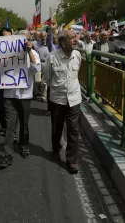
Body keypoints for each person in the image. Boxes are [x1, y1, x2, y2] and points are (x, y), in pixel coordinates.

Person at [0, 30, 41, 169]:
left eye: (26, 40)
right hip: (9, 95)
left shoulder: (34, 54)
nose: (23, 42)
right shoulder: (6, 54)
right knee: (10, 126)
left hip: (25, 95)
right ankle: (8, 154)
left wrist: (29, 52)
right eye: (20, 39)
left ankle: (24, 145)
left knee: (24, 123)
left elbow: (36, 68)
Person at [45, 30, 82, 174]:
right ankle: (56, 149)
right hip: (57, 99)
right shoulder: (52, 57)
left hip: (74, 99)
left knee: (74, 130)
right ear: (62, 42)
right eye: (71, 38)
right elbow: (47, 78)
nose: (75, 40)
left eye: (75, 37)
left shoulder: (77, 55)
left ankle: (71, 160)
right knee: (57, 128)